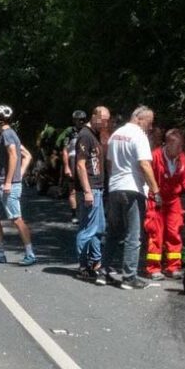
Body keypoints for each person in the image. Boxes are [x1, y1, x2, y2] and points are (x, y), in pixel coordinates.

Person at [104, 106, 161, 290]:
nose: (150, 128)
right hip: (132, 189)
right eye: (149, 123)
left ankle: (103, 271)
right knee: (133, 235)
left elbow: (109, 163)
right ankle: (129, 277)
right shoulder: (139, 136)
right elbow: (144, 164)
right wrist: (155, 190)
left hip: (115, 188)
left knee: (113, 232)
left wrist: (113, 182)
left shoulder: (116, 134)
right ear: (138, 119)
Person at [0, 105, 37, 266]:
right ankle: (0, 253)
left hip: (7, 185)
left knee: (16, 219)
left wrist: (9, 181)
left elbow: (14, 155)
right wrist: (19, 174)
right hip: (2, 183)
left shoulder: (7, 134)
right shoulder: (10, 134)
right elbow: (27, 155)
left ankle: (30, 253)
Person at [144, 129, 185, 280]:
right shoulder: (155, 156)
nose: (181, 150)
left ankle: (173, 267)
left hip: (173, 201)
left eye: (182, 146)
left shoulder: (181, 158)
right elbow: (147, 177)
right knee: (156, 234)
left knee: (174, 233)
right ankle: (153, 268)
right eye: (178, 146)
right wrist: (151, 195)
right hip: (157, 200)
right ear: (168, 144)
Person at [74, 107, 109, 283]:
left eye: (107, 121)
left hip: (98, 188)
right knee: (87, 229)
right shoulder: (85, 135)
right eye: (103, 120)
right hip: (90, 189)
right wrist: (87, 191)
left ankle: (96, 262)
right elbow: (81, 165)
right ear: (94, 116)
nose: (105, 124)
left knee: (99, 228)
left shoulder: (95, 135)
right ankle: (82, 265)